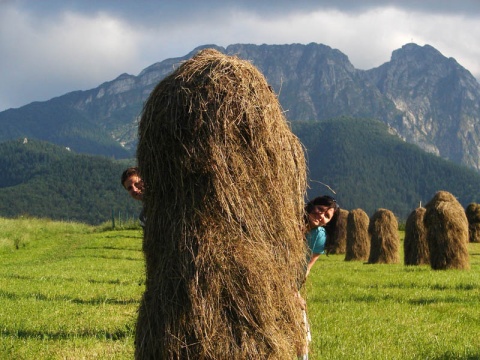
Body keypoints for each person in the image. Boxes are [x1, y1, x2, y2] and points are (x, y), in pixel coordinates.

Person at [304, 195, 339, 277]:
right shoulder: (290, 220)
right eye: (320, 209)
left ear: (327, 223)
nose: (321, 216)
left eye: (327, 216)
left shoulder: (319, 235)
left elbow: (307, 267)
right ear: (312, 206)